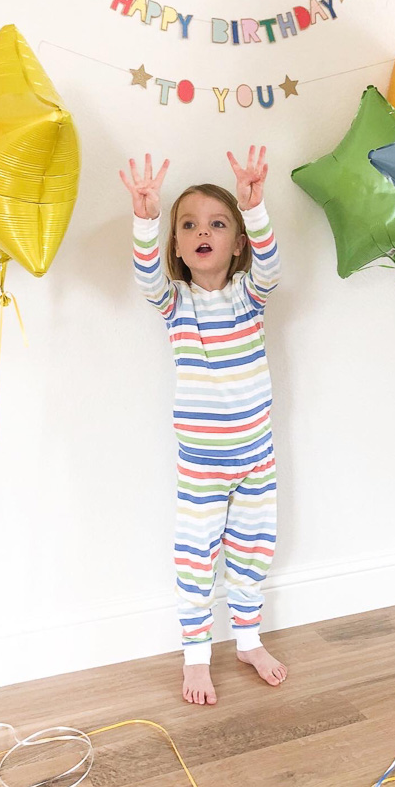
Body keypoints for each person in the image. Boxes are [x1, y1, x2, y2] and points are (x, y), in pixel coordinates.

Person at [120, 146, 287, 705]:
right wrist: (147, 217)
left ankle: (247, 638)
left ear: (236, 243)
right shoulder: (176, 304)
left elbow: (271, 267)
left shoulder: (249, 299)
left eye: (217, 224)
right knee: (196, 558)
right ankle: (196, 655)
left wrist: (254, 208)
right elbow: (147, 278)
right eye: (188, 225)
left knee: (252, 552)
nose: (202, 232)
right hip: (202, 466)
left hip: (256, 459)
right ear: (177, 247)